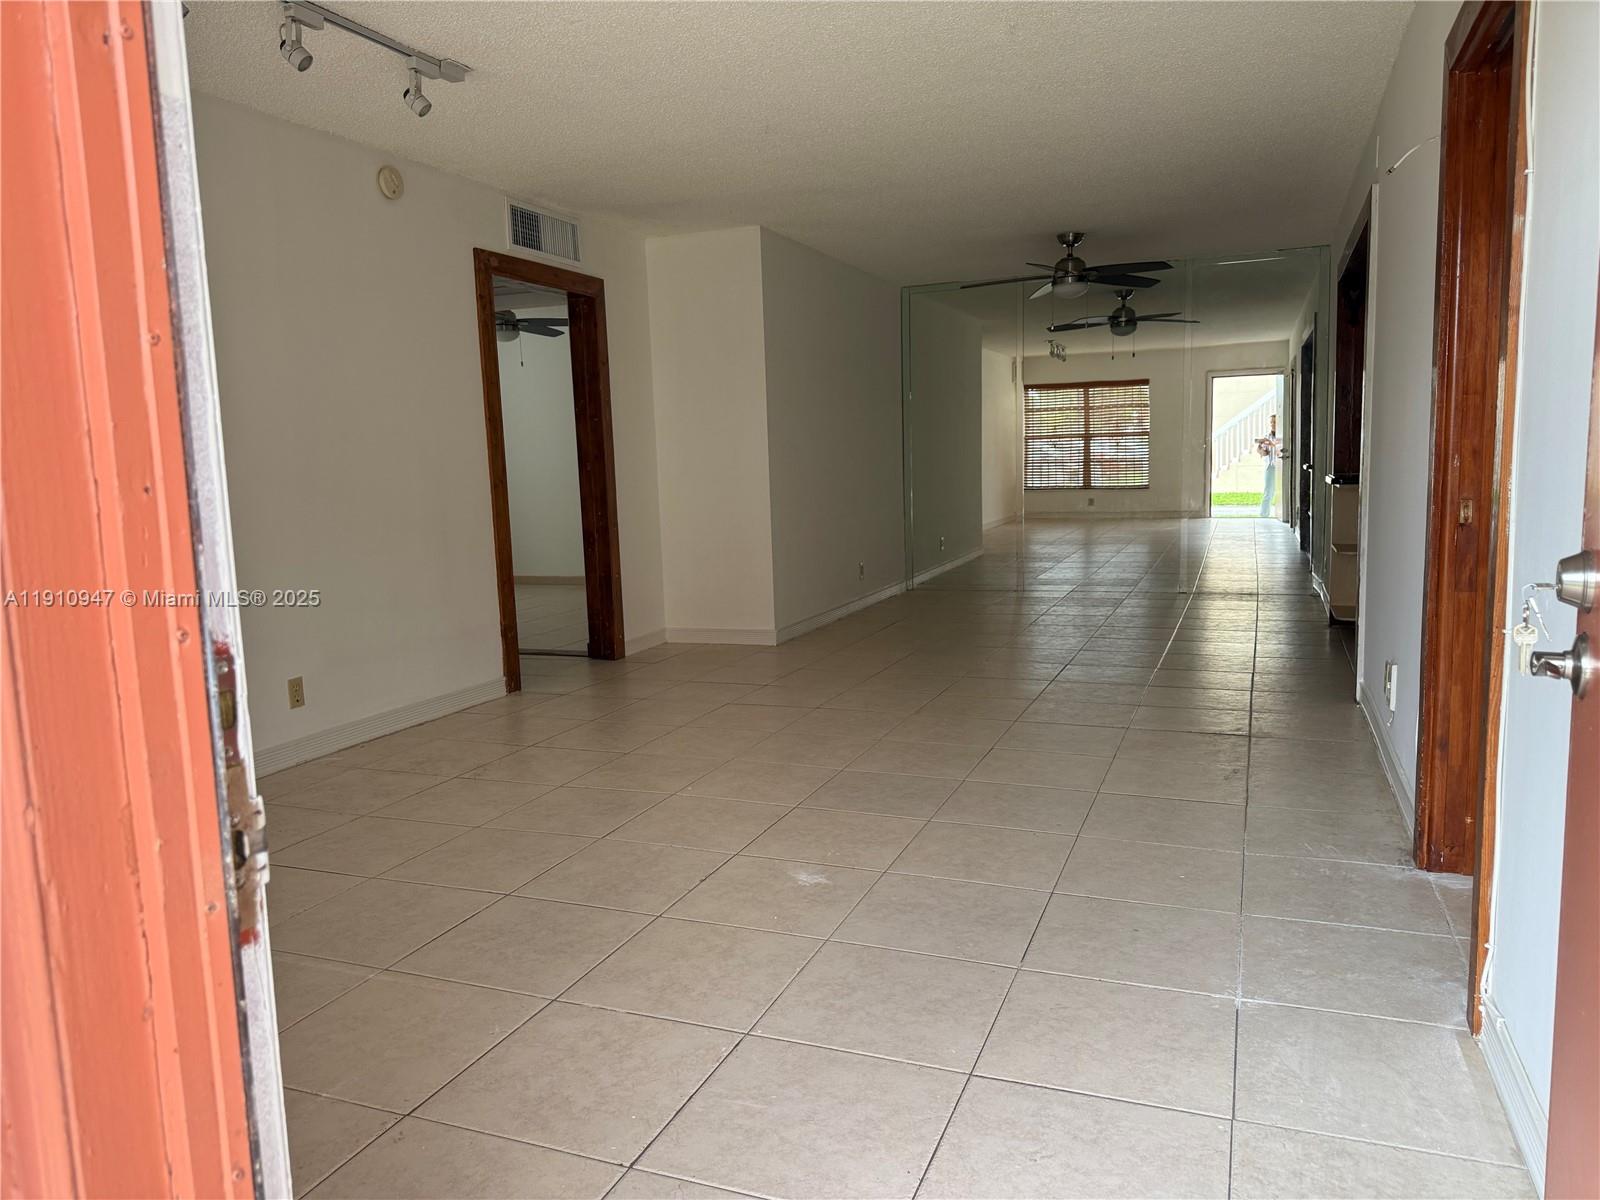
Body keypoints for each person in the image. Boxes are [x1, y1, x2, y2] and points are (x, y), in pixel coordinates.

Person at [1256, 414, 1283, 518]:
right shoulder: (1267, 437)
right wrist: (1262, 451)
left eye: (1274, 422)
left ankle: (1282, 514)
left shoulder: (1283, 436)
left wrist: (1273, 445)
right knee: (1268, 491)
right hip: (1270, 467)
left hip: (1281, 467)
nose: (1272, 424)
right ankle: (1264, 515)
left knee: (1281, 491)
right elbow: (1260, 451)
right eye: (1271, 422)